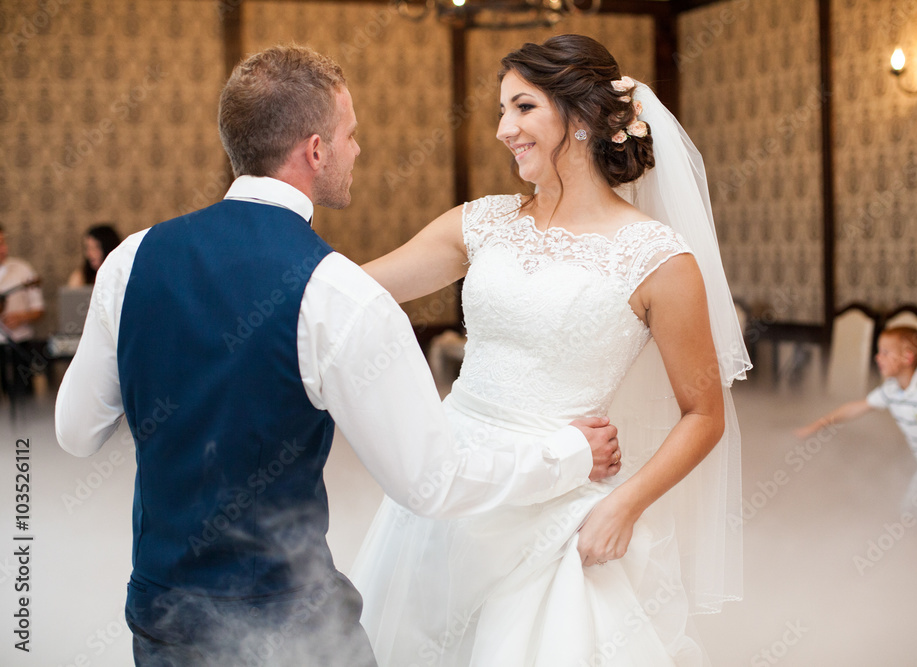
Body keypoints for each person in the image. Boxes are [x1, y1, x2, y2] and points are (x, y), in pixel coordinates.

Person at [54, 44, 620, 667]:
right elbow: (431, 482)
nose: (358, 150)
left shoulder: (130, 260)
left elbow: (77, 434)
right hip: (288, 625)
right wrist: (569, 453)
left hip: (161, 614)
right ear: (316, 150)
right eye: (351, 135)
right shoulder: (335, 291)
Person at [350, 35, 750, 666]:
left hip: (560, 507)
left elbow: (704, 414)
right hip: (451, 483)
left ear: (582, 117)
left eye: (523, 107)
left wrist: (625, 504)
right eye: (501, 111)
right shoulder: (482, 223)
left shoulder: (658, 258)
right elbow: (357, 290)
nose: (505, 129)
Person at [796, 325, 917, 513]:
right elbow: (855, 408)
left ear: (907, 357)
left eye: (885, 352)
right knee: (907, 512)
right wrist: (815, 427)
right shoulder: (890, 390)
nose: (877, 357)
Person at [0, 225, 45, 398]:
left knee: (24, 396)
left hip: (19, 344)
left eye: (3, 242)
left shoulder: (23, 270)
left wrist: (21, 317)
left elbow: (39, 309)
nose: (3, 248)